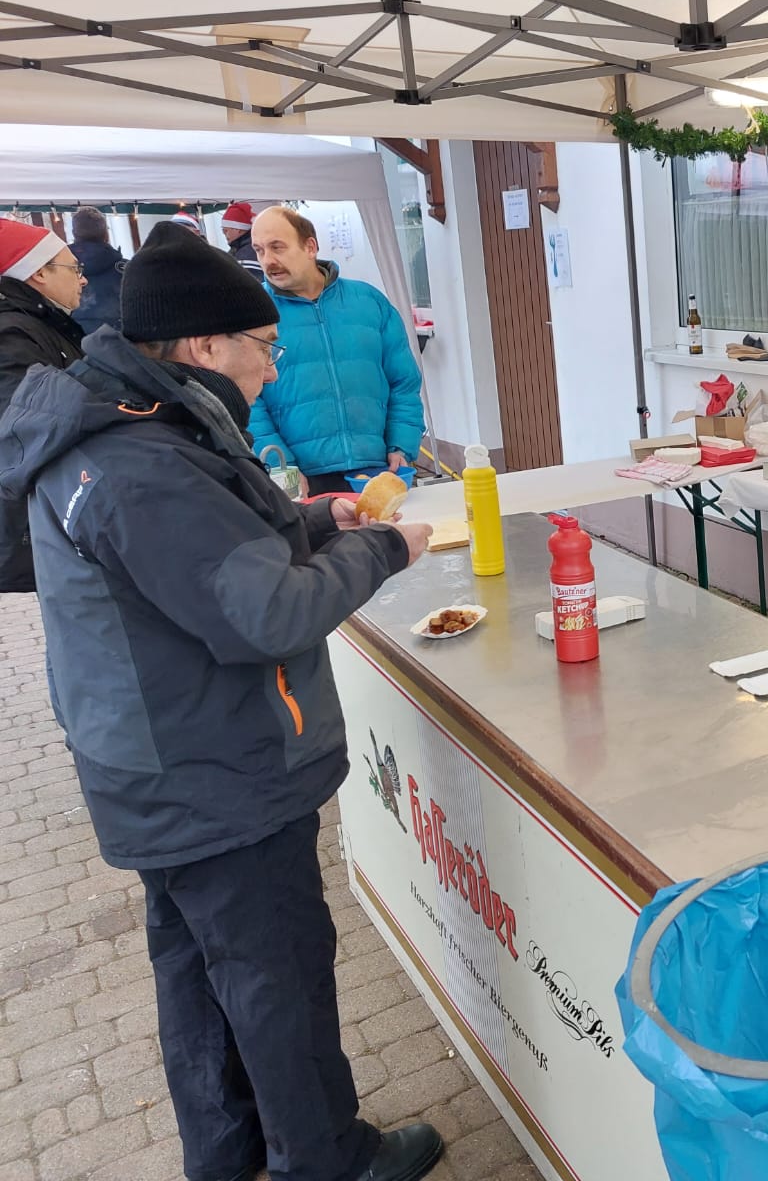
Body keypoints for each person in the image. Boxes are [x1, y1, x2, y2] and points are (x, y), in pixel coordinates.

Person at [0, 221, 444, 1181]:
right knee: (276, 976)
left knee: (203, 973)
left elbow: (209, 552)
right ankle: (327, 1159)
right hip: (214, 774)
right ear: (205, 345)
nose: (271, 369)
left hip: (159, 768)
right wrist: (381, 548)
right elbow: (266, 614)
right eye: (263, 347)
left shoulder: (122, 421)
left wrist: (315, 519)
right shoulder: (138, 462)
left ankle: (229, 1152)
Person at [250, 205, 425, 496]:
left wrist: (401, 445)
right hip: (302, 479)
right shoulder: (253, 313)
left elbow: (404, 382)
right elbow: (247, 399)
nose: (268, 260)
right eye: (259, 250)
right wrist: (281, 467)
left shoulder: (369, 302)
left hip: (378, 470)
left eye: (277, 247)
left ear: (310, 247)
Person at [0, 219, 86, 591]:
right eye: (74, 268)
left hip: (48, 508)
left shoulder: (39, 324)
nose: (83, 279)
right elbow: (27, 426)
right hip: (33, 517)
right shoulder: (12, 333)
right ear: (39, 273)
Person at [69, 205, 126, 336]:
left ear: (74, 233)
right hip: (119, 338)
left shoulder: (57, 269)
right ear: (106, 233)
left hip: (73, 337)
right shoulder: (126, 269)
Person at [223, 200, 265, 280]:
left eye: (226, 230)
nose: (224, 234)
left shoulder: (246, 256)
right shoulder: (249, 247)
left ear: (238, 229)